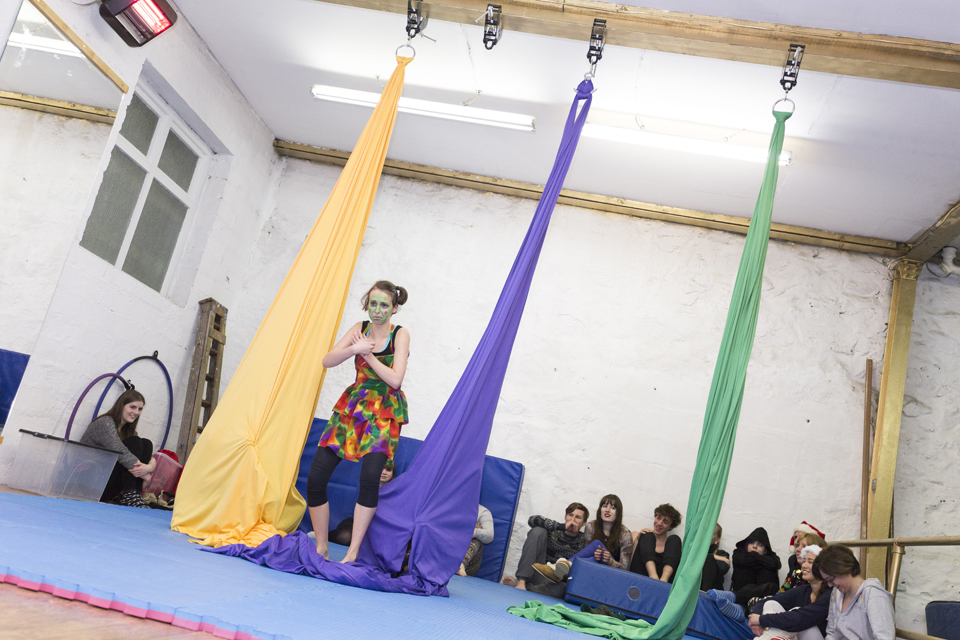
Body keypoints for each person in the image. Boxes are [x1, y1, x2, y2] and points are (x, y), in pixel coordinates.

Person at [306, 281, 410, 563]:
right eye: (373, 303)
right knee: (316, 478)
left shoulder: (400, 334)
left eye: (384, 305)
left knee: (369, 480)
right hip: (353, 408)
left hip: (384, 411)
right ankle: (322, 547)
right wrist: (353, 349)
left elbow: (395, 379)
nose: (377, 310)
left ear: (394, 308)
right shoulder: (359, 329)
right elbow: (327, 360)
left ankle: (352, 553)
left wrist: (367, 354)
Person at [80, 389, 155, 508]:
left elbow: (150, 458)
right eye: (132, 407)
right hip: (90, 483)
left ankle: (135, 495)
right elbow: (121, 453)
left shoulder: (128, 431)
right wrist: (145, 475)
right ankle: (130, 495)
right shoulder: (105, 423)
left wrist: (149, 469)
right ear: (121, 406)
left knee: (146, 443)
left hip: (106, 482)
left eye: (140, 409)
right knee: (134, 442)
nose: (136, 412)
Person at [745, 544, 831, 640]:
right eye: (804, 561)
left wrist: (761, 619)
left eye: (810, 562)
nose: (803, 565)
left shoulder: (830, 594)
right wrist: (756, 617)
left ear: (822, 567)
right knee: (771, 604)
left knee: (801, 620)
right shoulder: (804, 590)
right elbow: (764, 601)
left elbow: (800, 619)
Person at [502, 502, 589, 594]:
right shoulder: (554, 529)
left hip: (557, 582)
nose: (573, 520)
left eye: (578, 517)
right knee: (538, 531)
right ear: (565, 516)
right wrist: (561, 526)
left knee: (563, 589)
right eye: (570, 515)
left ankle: (527, 587)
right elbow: (532, 520)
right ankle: (521, 581)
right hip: (539, 573)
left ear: (584, 523)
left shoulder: (584, 542)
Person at [815, 545, 895, 640]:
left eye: (831, 579)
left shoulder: (874, 595)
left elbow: (885, 637)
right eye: (827, 581)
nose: (829, 585)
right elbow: (831, 633)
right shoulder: (837, 593)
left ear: (843, 569)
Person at [326, 459, 396, 547]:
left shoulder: (393, 493)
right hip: (355, 522)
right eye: (381, 469)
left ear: (393, 474)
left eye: (388, 470)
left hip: (377, 527)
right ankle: (324, 536)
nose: (384, 472)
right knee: (345, 537)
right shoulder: (366, 487)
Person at [726, 527, 782, 606]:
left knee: (770, 581)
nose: (754, 546)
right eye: (751, 542)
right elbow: (741, 560)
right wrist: (762, 560)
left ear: (765, 551)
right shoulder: (738, 553)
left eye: (760, 544)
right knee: (743, 568)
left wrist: (756, 557)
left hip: (761, 601)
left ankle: (735, 596)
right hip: (742, 598)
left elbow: (775, 563)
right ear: (746, 545)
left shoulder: (772, 558)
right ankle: (740, 603)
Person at [629, 503, 683, 583]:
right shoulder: (638, 536)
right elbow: (628, 567)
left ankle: (662, 581)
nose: (659, 523)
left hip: (663, 583)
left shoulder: (672, 545)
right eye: (658, 518)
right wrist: (638, 540)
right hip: (639, 582)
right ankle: (653, 577)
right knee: (647, 535)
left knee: (675, 539)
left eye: (665, 522)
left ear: (671, 526)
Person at [457, 504, 494, 577]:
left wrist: (473, 532)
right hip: (448, 554)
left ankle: (461, 565)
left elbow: (489, 535)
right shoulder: (450, 506)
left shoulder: (482, 511)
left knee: (477, 528)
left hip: (469, 564)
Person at [701, 523, 731, 591]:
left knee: (709, 560)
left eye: (711, 533)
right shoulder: (692, 551)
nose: (706, 535)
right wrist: (713, 556)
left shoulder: (722, 554)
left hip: (712, 592)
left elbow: (723, 569)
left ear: (717, 539)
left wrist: (711, 557)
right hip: (693, 590)